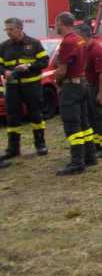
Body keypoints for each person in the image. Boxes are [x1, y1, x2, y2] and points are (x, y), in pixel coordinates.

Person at [0, 17, 49, 162]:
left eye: (11, 29)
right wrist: (5, 72)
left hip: (32, 86)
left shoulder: (34, 43)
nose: (8, 32)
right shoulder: (4, 46)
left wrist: (28, 66)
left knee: (36, 115)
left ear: (20, 28)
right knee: (12, 117)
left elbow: (44, 61)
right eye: (6, 29)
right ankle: (13, 149)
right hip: (12, 87)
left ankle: (40, 145)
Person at [54, 12, 96, 176]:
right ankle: (90, 156)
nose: (56, 27)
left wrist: (56, 80)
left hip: (71, 87)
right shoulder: (79, 39)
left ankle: (77, 163)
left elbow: (62, 70)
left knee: (72, 125)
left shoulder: (67, 42)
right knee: (84, 123)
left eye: (56, 23)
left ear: (61, 23)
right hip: (82, 83)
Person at [76, 24, 102, 157]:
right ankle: (97, 144)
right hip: (89, 86)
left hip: (99, 86)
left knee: (100, 116)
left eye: (76, 35)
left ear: (83, 35)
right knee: (91, 117)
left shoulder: (97, 51)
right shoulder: (84, 49)